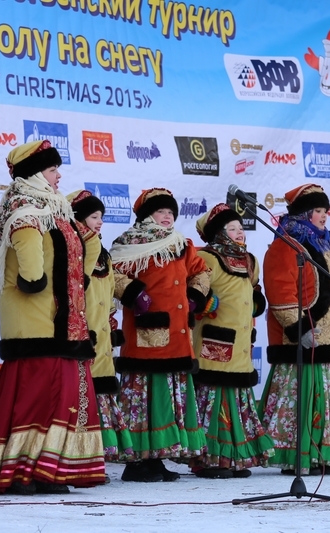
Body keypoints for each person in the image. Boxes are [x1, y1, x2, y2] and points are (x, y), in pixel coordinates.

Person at [0, 140, 105, 495]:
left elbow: (77, 255)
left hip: (59, 316)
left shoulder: (53, 208)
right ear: (36, 174)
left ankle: (46, 470)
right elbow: (32, 273)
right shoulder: (26, 210)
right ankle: (20, 470)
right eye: (53, 170)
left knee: (57, 395)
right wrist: (42, 281)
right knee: (36, 395)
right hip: (37, 317)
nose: (59, 176)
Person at [110, 188, 211, 482]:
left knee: (168, 397)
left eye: (170, 213)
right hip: (147, 334)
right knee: (145, 398)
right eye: (160, 212)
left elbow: (202, 272)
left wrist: (195, 295)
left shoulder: (182, 244)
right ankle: (137, 462)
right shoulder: (128, 243)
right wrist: (132, 292)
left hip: (177, 335)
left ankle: (156, 459)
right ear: (146, 216)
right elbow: (112, 272)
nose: (167, 217)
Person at [259, 183, 330, 475]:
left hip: (329, 336)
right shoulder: (286, 244)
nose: (323, 216)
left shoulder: (327, 244)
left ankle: (326, 453)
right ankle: (299, 455)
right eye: (317, 210)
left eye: (325, 210)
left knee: (328, 399)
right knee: (304, 398)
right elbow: (280, 291)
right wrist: (297, 327)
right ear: (303, 213)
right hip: (303, 339)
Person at [189, 203, 275, 479]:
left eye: (241, 227)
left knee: (236, 399)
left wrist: (256, 302)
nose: (239, 232)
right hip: (215, 337)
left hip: (240, 342)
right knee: (213, 398)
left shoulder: (250, 260)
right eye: (232, 228)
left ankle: (234, 458)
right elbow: (195, 289)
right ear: (219, 233)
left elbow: (253, 289)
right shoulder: (207, 257)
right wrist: (207, 303)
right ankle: (207, 459)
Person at [68, 190, 134, 468]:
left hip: (101, 339)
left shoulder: (102, 253)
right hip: (80, 337)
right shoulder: (72, 248)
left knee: (98, 397)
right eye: (94, 216)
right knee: (79, 399)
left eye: (102, 217)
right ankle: (76, 459)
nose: (100, 222)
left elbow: (106, 298)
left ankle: (93, 460)